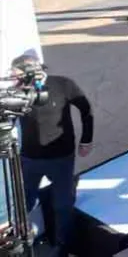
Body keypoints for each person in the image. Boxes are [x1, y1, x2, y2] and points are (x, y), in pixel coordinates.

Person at [17, 58, 92, 257]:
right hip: (29, 159)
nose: (17, 82)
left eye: (19, 76)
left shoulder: (63, 84)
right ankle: (22, 243)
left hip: (61, 158)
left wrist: (86, 140)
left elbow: (86, 109)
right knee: (23, 202)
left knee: (62, 205)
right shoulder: (18, 92)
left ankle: (63, 247)